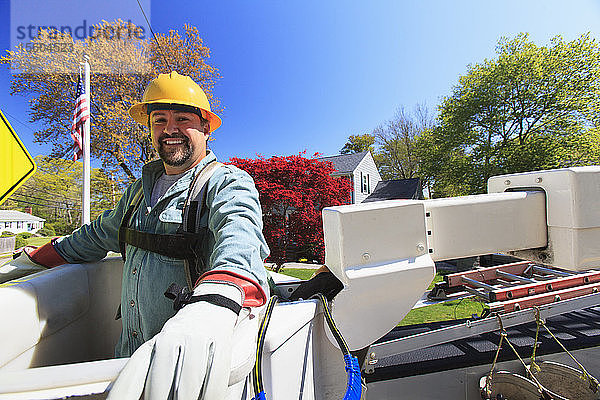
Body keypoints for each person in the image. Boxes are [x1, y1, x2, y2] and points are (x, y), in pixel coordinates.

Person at [8, 71, 270, 398]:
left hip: (185, 370)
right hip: (124, 364)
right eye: (159, 120)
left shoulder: (227, 183)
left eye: (183, 118)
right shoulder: (136, 192)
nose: (169, 129)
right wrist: (29, 259)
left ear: (206, 127)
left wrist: (212, 308)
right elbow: (92, 238)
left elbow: (240, 241)